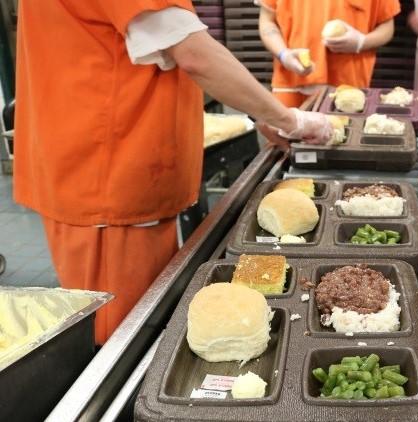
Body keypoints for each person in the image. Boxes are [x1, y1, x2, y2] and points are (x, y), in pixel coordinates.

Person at [14, 1, 333, 344]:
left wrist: (263, 114)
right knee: (122, 335)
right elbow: (193, 53)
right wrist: (288, 119)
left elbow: (157, 43)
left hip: (104, 167)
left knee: (139, 318)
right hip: (107, 177)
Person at [258, 0, 401, 108]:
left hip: (348, 90)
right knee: (283, 143)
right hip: (290, 84)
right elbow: (267, 22)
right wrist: (283, 55)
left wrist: (361, 42)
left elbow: (387, 26)